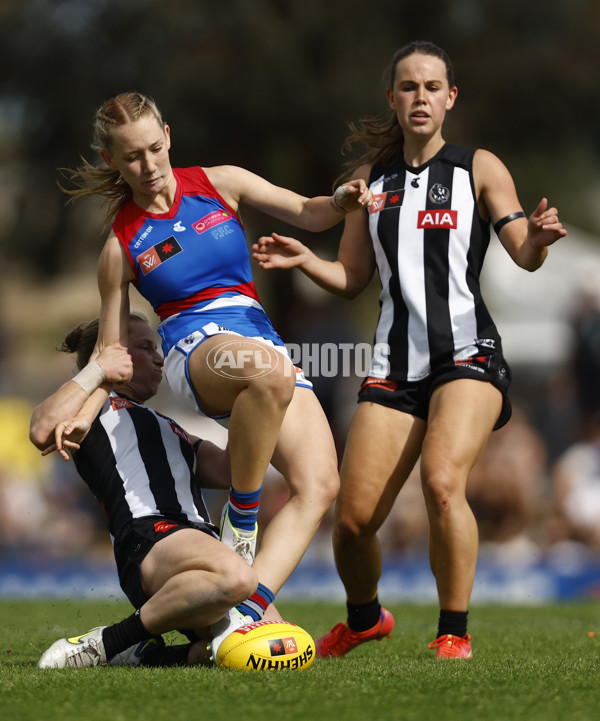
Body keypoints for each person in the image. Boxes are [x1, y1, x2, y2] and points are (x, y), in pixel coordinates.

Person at [253, 41, 567, 659]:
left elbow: (523, 253)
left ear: (450, 98)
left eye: (431, 87)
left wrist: (540, 239)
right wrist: (305, 260)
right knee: (352, 520)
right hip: (394, 364)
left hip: (468, 355)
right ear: (392, 99)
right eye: (408, 87)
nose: (419, 98)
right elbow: (352, 275)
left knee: (443, 482)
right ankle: (365, 619)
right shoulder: (369, 182)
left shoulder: (479, 167)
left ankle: (453, 634)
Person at [57, 91, 372, 655]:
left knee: (320, 484)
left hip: (260, 339)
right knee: (269, 374)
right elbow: (108, 353)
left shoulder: (219, 181)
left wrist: (343, 200)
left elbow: (309, 211)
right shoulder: (120, 244)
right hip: (195, 348)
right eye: (131, 157)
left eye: (155, 149)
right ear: (112, 162)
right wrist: (80, 413)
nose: (148, 165)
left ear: (169, 137)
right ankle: (242, 522)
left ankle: (238, 624)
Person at [30, 314, 261, 668]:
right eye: (144, 347)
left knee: (261, 641)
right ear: (114, 355)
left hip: (200, 541)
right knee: (239, 578)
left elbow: (232, 469)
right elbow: (43, 428)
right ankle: (109, 642)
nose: (158, 358)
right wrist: (98, 369)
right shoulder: (92, 410)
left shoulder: (168, 425)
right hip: (149, 537)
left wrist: (246, 398)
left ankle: (151, 654)